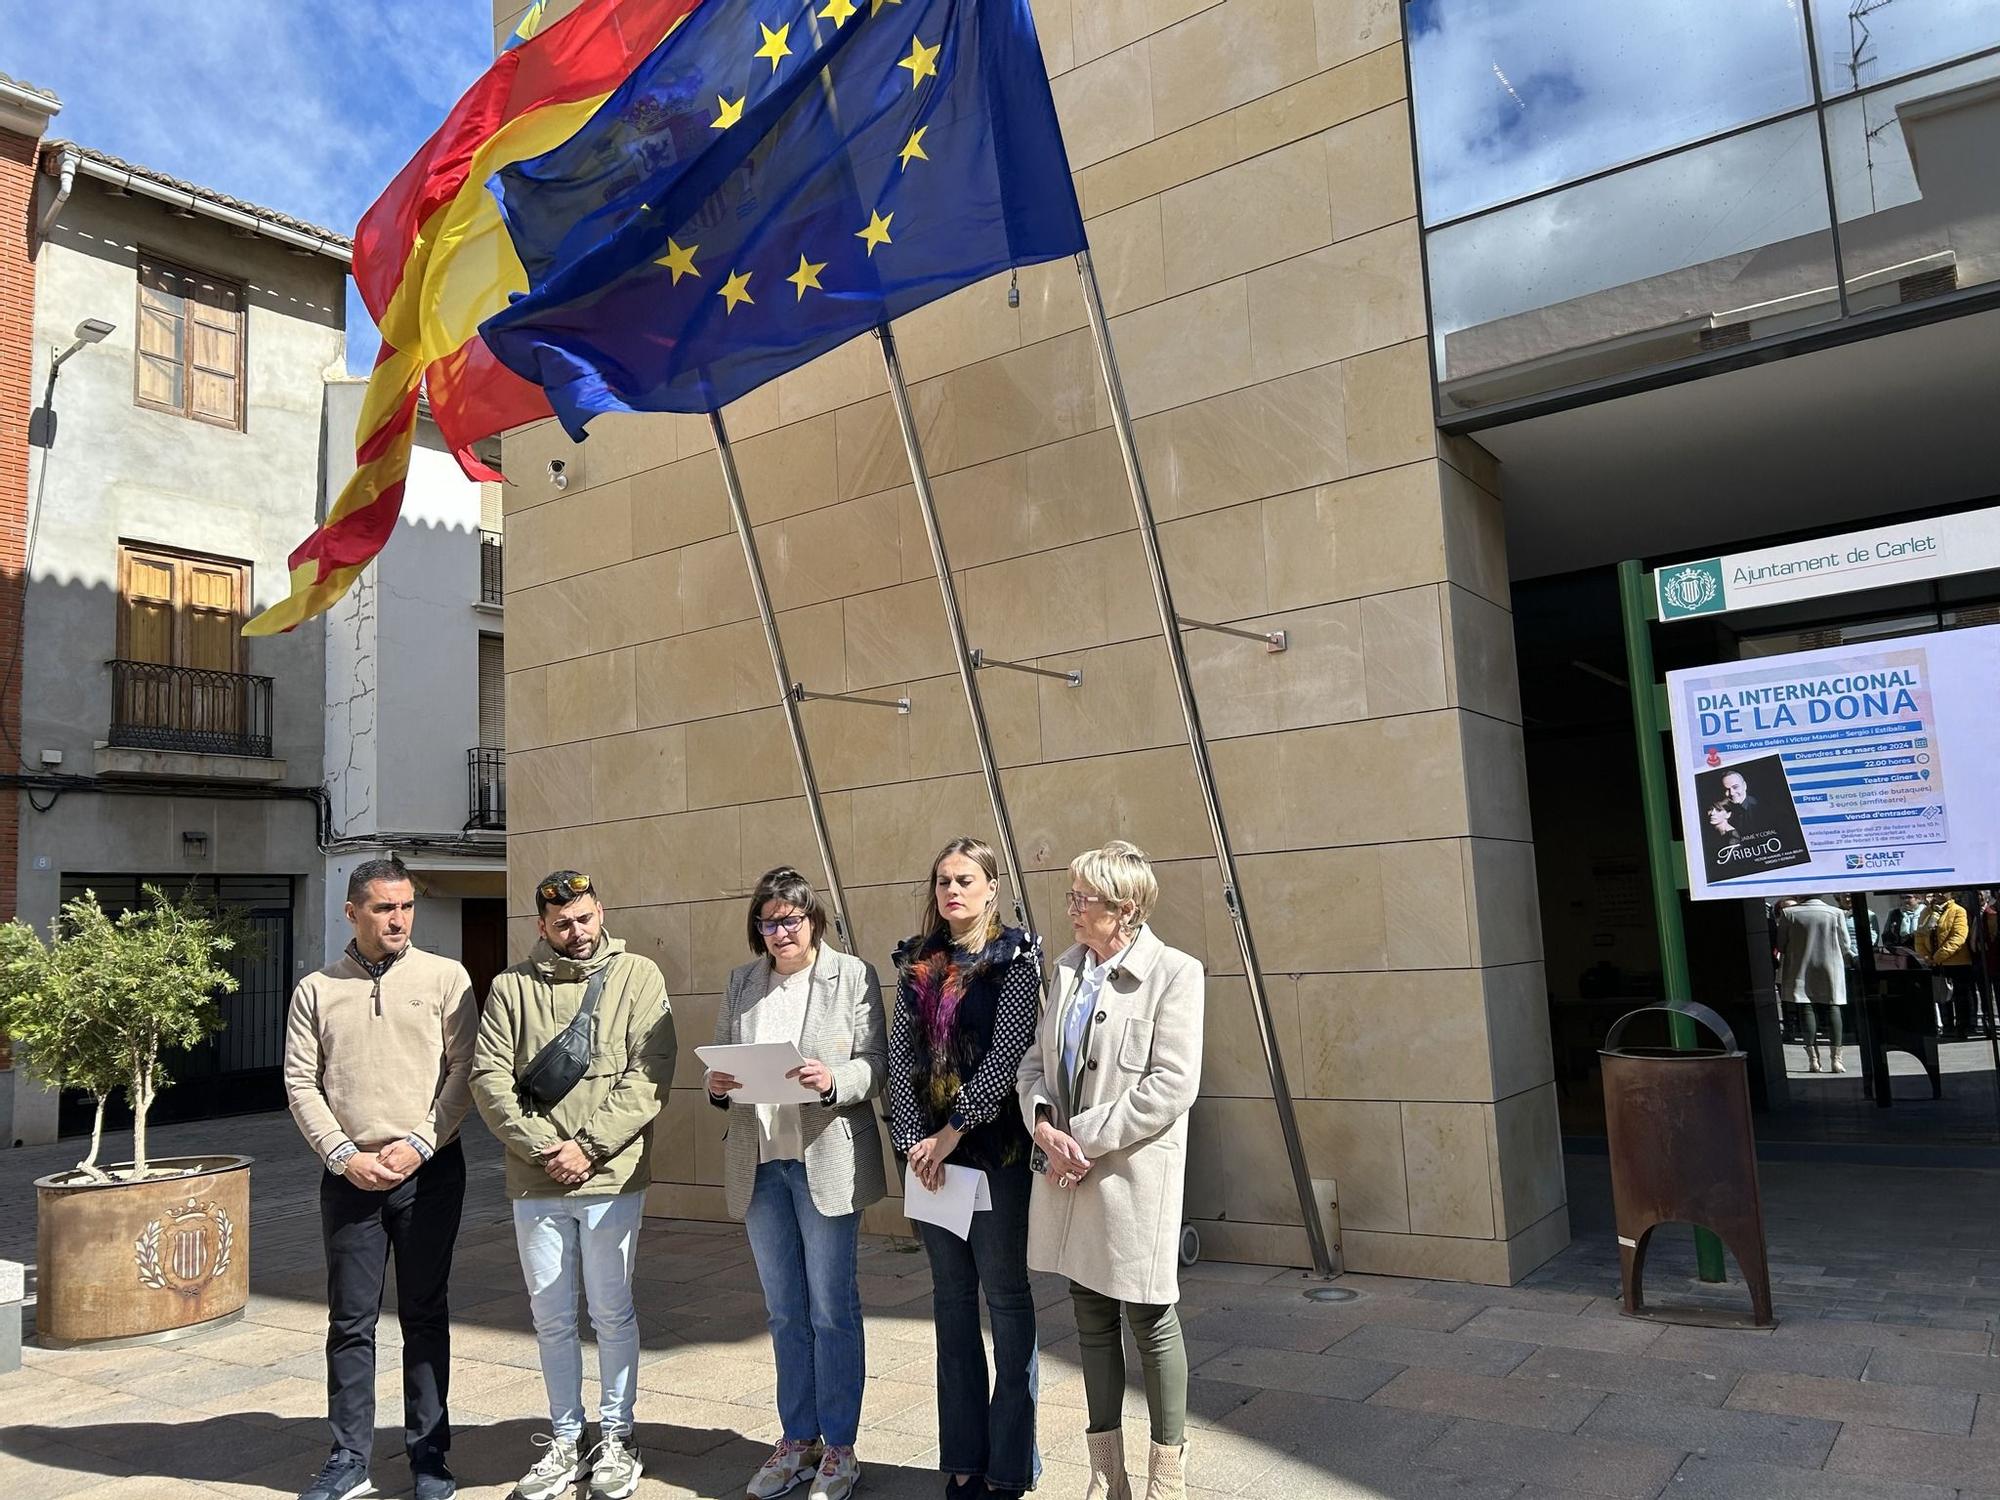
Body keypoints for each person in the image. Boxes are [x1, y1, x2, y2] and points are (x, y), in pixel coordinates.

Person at [471, 871, 676, 1500]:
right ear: (542, 926)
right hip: (536, 1182)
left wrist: (585, 1148)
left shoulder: (638, 975)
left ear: (600, 911)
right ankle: (564, 1437)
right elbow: (488, 1078)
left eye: (584, 918)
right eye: (562, 923)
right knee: (551, 1316)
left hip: (611, 1177)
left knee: (612, 1312)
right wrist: (544, 1150)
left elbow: (651, 1074)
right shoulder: (511, 987)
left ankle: (617, 1435)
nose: (576, 931)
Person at [283, 856, 478, 1500]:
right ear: (353, 912)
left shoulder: (447, 978)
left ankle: (430, 1457)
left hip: (430, 1171)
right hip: (350, 1177)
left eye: (407, 906)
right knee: (350, 1321)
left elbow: (463, 1074)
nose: (398, 919)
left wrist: (421, 1143)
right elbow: (299, 1083)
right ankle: (348, 1459)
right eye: (384, 908)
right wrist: (343, 1154)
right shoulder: (316, 989)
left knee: (425, 1314)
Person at [1018, 842, 1204, 1500]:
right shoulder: (1066, 973)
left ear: (1125, 911)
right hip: (1070, 1176)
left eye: (1082, 899)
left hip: (1131, 1179)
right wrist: (1042, 1122)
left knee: (1151, 1320)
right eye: (1070, 896)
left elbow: (1172, 1085)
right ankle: (1106, 1476)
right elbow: (1034, 1067)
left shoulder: (1177, 973)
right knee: (1089, 1315)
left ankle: (1166, 1483)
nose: (1071, 908)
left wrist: (1080, 1136)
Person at [710, 867, 886, 1500]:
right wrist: (718, 1085)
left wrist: (833, 1079)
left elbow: (875, 1063)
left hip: (825, 1156)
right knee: (785, 1310)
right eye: (768, 921)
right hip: (759, 1163)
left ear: (813, 921)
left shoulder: (852, 976)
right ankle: (797, 1438)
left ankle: (840, 1447)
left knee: (831, 1309)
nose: (779, 932)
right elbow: (724, 1061)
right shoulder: (741, 983)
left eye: (790, 919)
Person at [889, 839, 1043, 1500]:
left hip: (995, 1158)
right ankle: (962, 1460)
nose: (953, 890)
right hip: (933, 1166)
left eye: (966, 879)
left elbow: (1006, 1057)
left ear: (990, 887)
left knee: (1006, 1304)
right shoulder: (917, 963)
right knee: (951, 1309)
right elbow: (899, 1057)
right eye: (944, 880)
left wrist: (951, 1133)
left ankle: (1010, 1464)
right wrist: (913, 1143)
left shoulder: (1017, 959)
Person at [1778, 896, 1853, 1073]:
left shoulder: (1789, 914)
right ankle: (1837, 1060)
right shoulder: (1835, 913)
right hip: (1830, 965)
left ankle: (1813, 1060)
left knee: (1806, 1008)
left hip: (1800, 965)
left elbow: (1781, 945)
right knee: (1834, 1006)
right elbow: (1846, 944)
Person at [1917, 889, 1972, 1038]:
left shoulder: (1958, 911)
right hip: (1935, 963)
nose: (1939, 894)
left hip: (1957, 962)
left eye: (1944, 891)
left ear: (1952, 894)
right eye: (1936, 892)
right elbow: (1920, 936)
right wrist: (1927, 957)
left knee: (1960, 997)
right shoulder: (1926, 912)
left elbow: (1958, 937)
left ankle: (1962, 1028)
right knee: (1942, 996)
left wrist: (1939, 956)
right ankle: (1947, 1027)